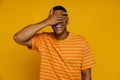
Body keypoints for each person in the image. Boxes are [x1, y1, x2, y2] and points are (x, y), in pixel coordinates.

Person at [13, 6, 96, 80]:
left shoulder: (81, 42)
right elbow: (18, 38)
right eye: (54, 19)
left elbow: (86, 76)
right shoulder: (43, 39)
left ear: (67, 21)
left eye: (60, 19)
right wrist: (46, 22)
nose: (57, 23)